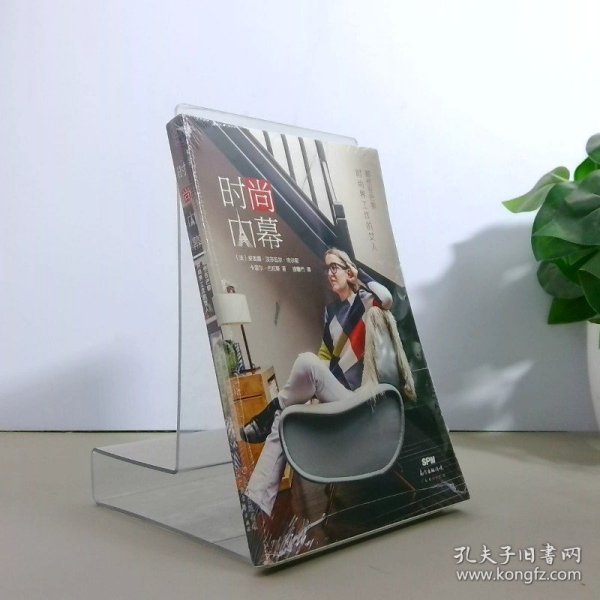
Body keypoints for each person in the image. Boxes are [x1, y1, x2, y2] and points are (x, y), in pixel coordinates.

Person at [241, 248, 393, 516]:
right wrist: (312, 394)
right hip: (336, 396)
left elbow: (388, 298)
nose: (330, 273)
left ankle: (270, 409)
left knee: (305, 360)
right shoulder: (330, 312)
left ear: (348, 270)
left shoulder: (367, 300)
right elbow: (324, 358)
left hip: (358, 398)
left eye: (335, 267)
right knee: (284, 415)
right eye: (327, 269)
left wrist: (359, 275)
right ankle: (257, 502)